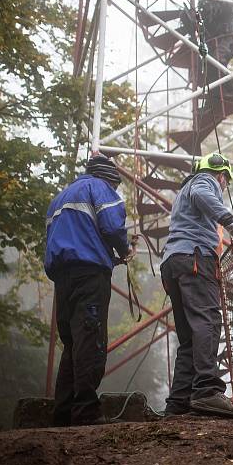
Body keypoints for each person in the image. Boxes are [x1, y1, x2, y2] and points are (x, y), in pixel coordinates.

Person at [45, 155, 133, 426]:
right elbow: (111, 225)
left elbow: (72, 235)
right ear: (111, 178)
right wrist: (125, 248)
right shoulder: (100, 187)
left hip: (63, 276)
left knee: (72, 343)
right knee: (91, 339)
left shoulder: (59, 198)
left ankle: (63, 413)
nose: (115, 191)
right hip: (90, 275)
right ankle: (85, 411)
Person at [161, 151, 233, 417]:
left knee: (189, 337)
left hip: (175, 262)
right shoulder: (204, 181)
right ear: (221, 175)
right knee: (207, 321)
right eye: (225, 181)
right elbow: (203, 195)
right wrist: (232, 223)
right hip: (195, 259)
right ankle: (207, 391)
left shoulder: (184, 191)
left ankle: (179, 402)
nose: (224, 186)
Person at [182, 0, 233, 106]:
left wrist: (206, 5)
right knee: (209, 69)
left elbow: (220, 12)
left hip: (227, 39)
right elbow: (202, 24)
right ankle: (215, 98)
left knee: (217, 61)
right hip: (213, 42)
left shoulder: (227, 1)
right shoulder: (207, 4)